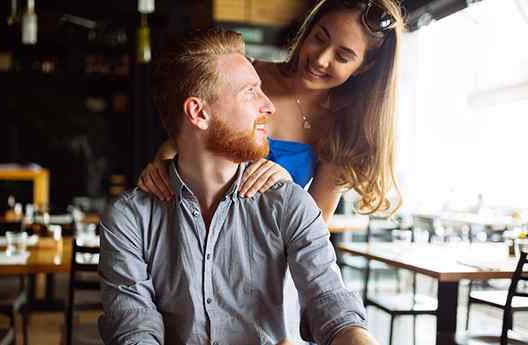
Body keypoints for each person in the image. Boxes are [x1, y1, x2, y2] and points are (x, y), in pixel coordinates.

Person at [98, 28, 377, 345]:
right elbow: (134, 329)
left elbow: (331, 302)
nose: (269, 107)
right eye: (250, 92)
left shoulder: (290, 204)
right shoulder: (129, 219)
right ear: (199, 112)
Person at [138, 0, 405, 222]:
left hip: (267, 259)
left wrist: (286, 187)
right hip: (192, 230)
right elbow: (179, 143)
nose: (321, 58)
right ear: (308, 29)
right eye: (319, 38)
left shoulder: (342, 127)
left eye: (343, 56)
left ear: (364, 67)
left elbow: (315, 227)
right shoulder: (248, 74)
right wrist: (160, 167)